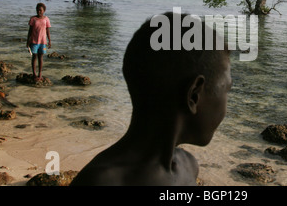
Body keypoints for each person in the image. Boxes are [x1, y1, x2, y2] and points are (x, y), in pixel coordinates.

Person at [70, 12, 232, 186]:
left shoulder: (189, 166)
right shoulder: (100, 182)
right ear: (193, 95)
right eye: (226, 90)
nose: (226, 107)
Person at [26, 3, 51, 81]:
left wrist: (49, 40)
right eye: (37, 10)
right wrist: (28, 40)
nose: (39, 12)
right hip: (34, 41)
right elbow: (30, 31)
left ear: (44, 11)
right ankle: (34, 74)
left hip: (43, 41)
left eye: (40, 10)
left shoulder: (46, 19)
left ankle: (40, 74)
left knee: (41, 57)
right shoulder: (33, 19)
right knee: (34, 57)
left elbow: (47, 30)